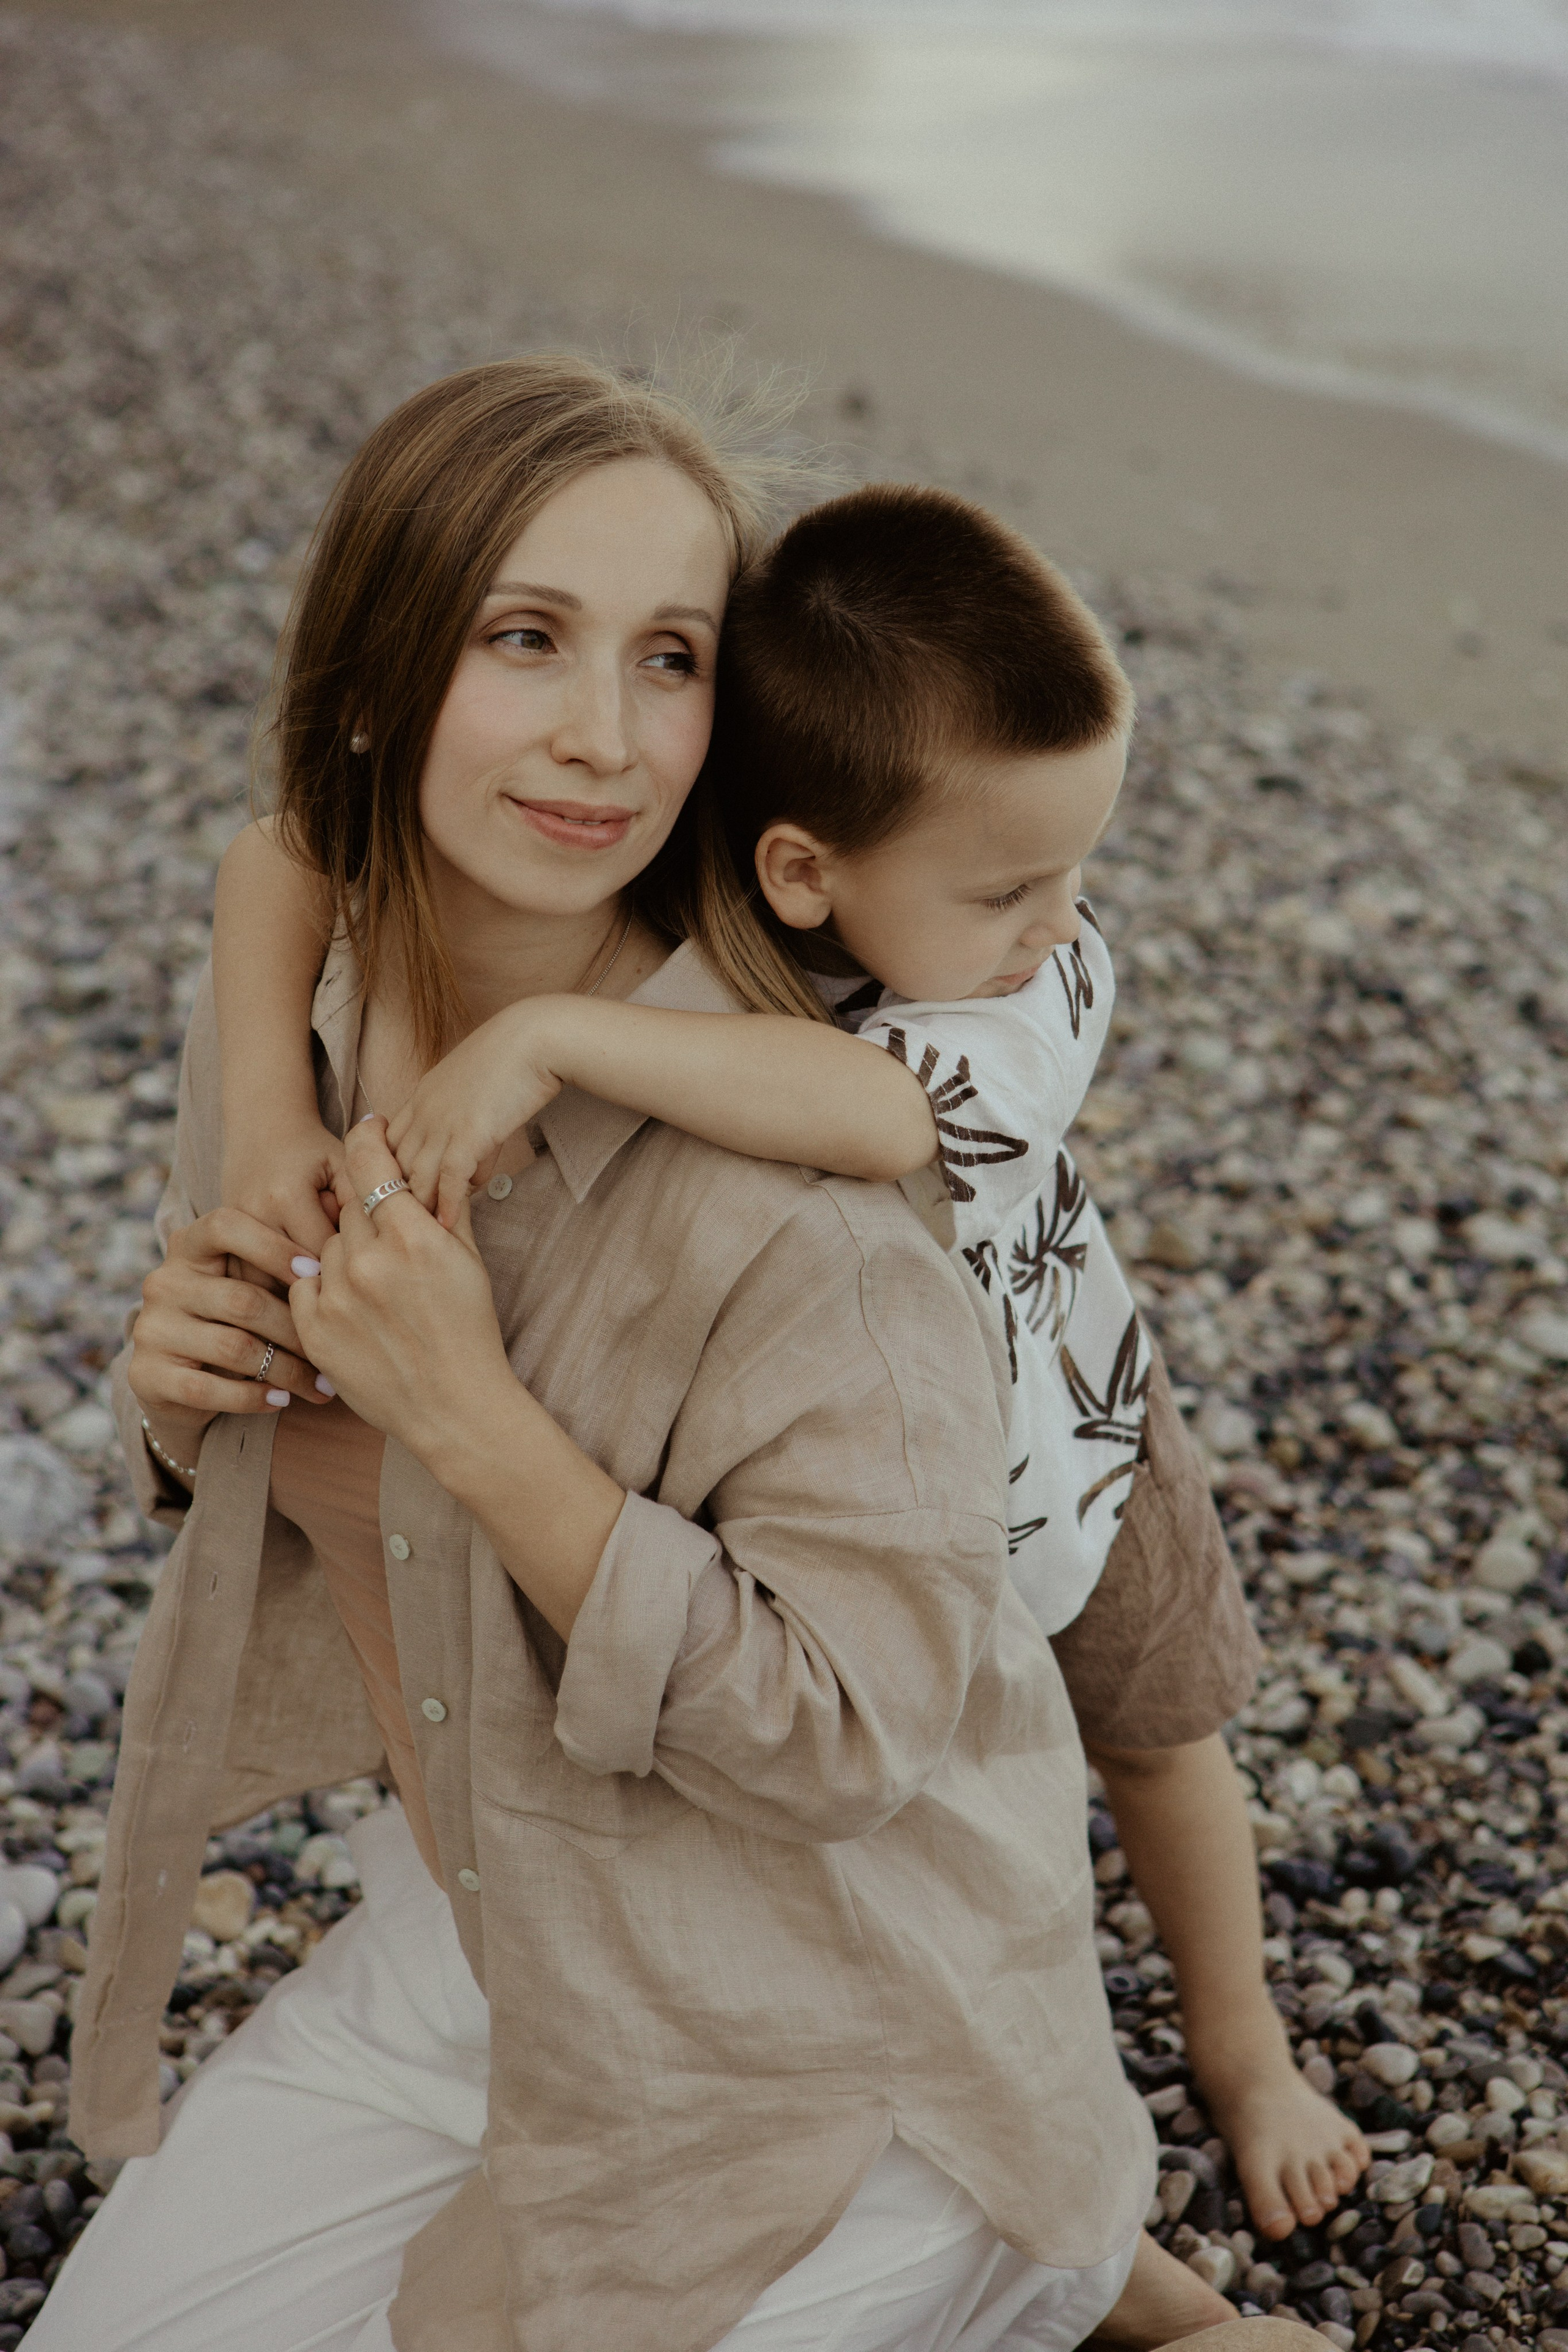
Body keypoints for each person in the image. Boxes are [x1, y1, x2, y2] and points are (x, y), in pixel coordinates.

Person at [40, 353, 1202, 2352]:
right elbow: (280, 855)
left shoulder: (809, 1195)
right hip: (490, 1942)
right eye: (526, 638)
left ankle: (1063, 2255)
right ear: (379, 680)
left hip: (817, 2040)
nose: (604, 735)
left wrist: (478, 1421)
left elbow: (846, 1741)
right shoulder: (303, 1042)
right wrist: (183, 1393)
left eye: (670, 659)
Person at [209, 480, 1367, 2253]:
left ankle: (1243, 2044)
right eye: (1015, 884)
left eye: (1077, 870)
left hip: (1067, 1421)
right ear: (800, 870)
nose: (1068, 926)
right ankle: (962, 2079)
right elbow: (288, 843)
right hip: (847, 1498)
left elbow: (879, 1113)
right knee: (915, 1812)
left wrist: (553, 1034)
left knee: (1157, 1737)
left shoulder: (1025, 995)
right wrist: (263, 1108)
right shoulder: (702, 858)